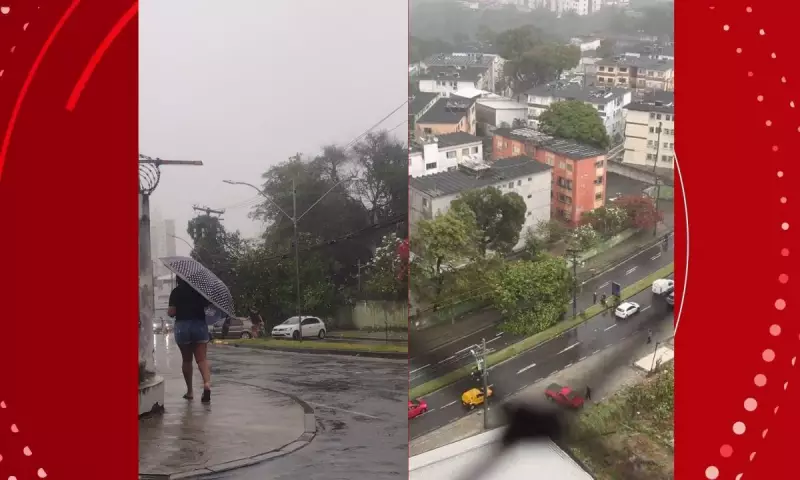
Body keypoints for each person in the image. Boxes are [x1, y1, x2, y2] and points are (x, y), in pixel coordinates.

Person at [168, 277, 213, 403]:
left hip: (182, 326)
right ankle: (207, 384)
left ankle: (190, 392)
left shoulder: (176, 292)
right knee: (201, 359)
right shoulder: (200, 290)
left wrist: (173, 311)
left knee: (187, 360)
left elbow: (171, 312)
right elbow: (208, 307)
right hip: (199, 325)